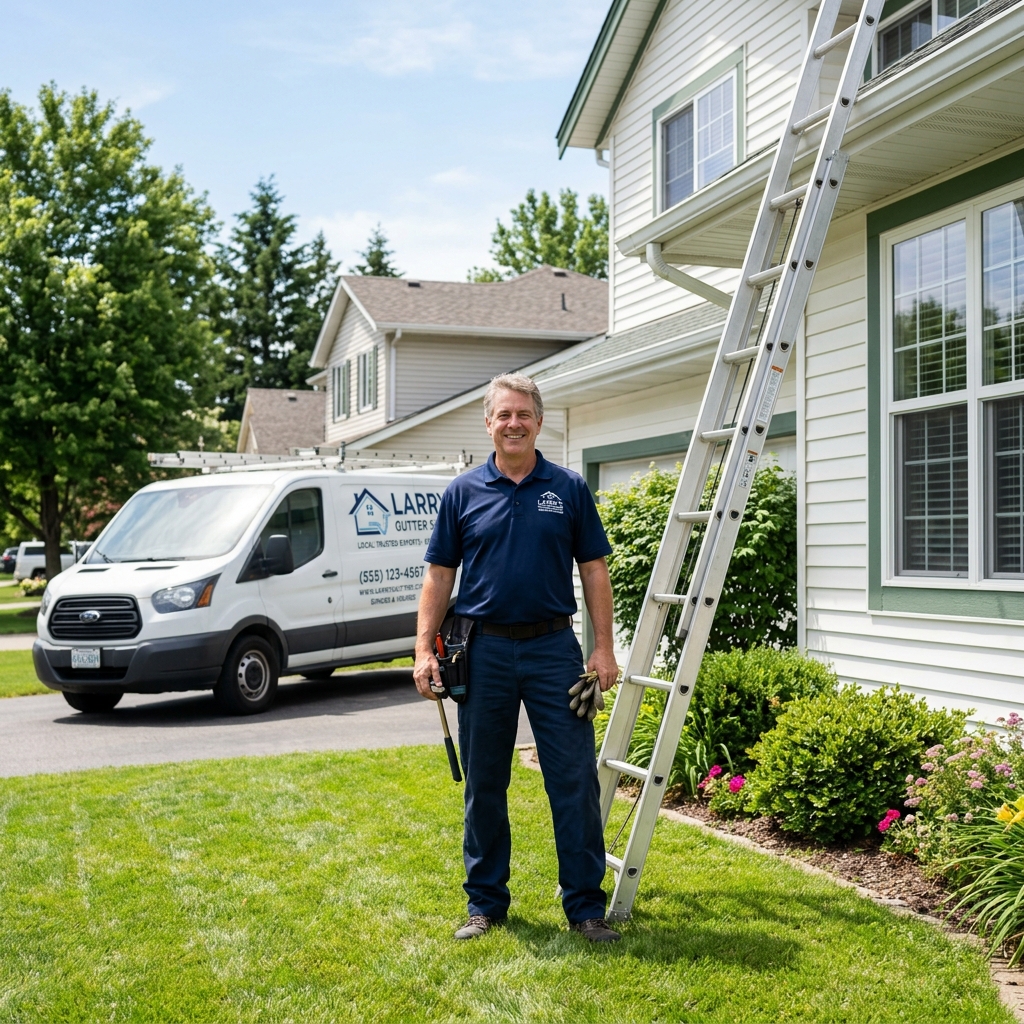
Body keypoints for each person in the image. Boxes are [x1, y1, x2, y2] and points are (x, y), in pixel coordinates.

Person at [412, 372, 621, 943]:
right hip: (482, 652)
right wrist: (423, 650)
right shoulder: (462, 492)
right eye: (503, 415)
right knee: (485, 782)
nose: (513, 423)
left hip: (556, 648)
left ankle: (584, 908)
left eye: (523, 414)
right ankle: (486, 904)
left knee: (573, 779)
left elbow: (594, 569)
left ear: (539, 421)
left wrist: (602, 647)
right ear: (488, 422)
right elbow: (438, 575)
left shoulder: (569, 488)